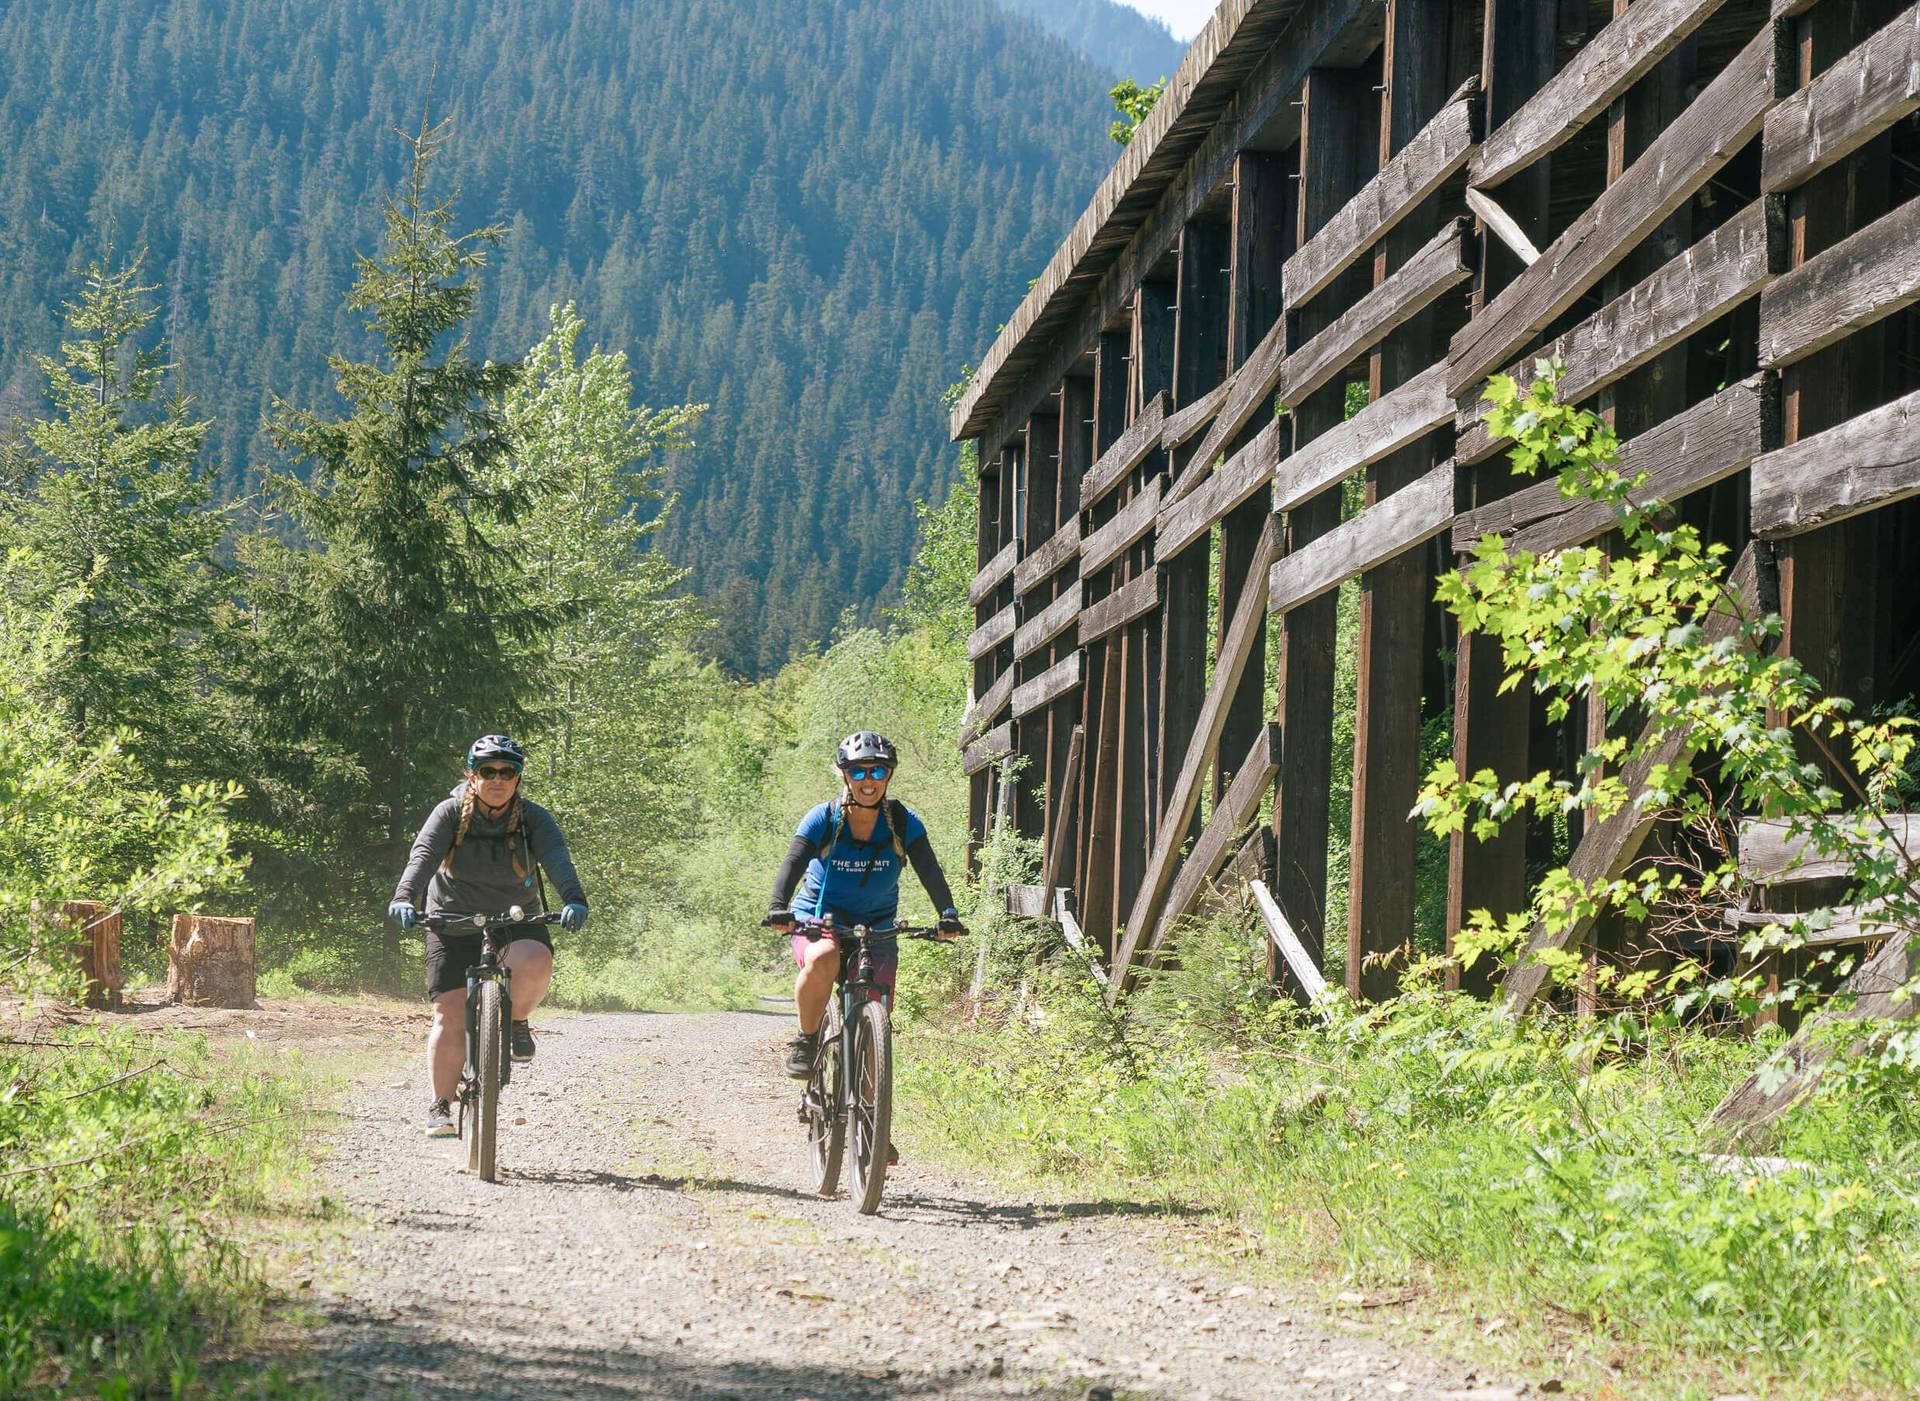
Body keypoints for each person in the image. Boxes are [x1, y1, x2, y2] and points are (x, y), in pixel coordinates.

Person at [388, 735, 589, 1138]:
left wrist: (574, 898)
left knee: (534, 959)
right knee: (449, 1011)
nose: (497, 779)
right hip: (451, 916)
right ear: (472, 774)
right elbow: (423, 856)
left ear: (518, 778)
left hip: (515, 916)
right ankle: (441, 1105)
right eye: (488, 771)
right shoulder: (449, 813)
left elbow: (557, 859)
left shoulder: (534, 818)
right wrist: (404, 896)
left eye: (507, 772)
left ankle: (516, 1020)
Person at [764, 731, 966, 1081]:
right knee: (823, 956)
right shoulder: (822, 818)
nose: (869, 781)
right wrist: (778, 908)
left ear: (889, 775)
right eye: (859, 772)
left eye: (878, 772)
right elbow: (792, 863)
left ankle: (873, 1130)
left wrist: (947, 914)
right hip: (818, 917)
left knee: (877, 1026)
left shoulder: (903, 822)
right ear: (845, 775)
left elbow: (930, 870)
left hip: (877, 925)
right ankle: (807, 1040)